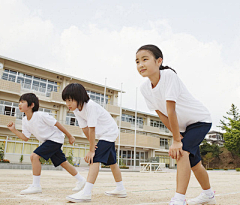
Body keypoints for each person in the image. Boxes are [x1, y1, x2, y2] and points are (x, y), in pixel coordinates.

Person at [136, 45, 216, 205]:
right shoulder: (144, 88)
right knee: (195, 164)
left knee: (182, 152)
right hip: (184, 127)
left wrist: (177, 141)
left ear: (159, 61)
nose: (140, 65)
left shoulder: (168, 76)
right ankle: (208, 195)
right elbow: (162, 114)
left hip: (200, 120)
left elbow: (171, 110)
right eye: (137, 61)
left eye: (145, 59)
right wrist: (177, 134)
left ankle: (179, 199)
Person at [7, 93, 86, 195]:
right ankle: (81, 180)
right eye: (19, 102)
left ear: (31, 105)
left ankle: (36, 186)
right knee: (63, 162)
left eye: (22, 102)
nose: (19, 104)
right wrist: (14, 130)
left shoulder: (40, 115)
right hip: (48, 141)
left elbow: (57, 123)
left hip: (55, 139)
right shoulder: (25, 120)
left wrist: (70, 136)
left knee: (34, 156)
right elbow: (25, 138)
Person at [62, 83, 127, 203]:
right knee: (112, 162)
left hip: (109, 132)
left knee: (94, 158)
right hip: (103, 135)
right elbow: (85, 129)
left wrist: (92, 150)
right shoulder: (76, 110)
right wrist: (93, 144)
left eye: (70, 100)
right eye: (66, 101)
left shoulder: (90, 106)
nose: (68, 104)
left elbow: (92, 128)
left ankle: (86, 192)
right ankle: (120, 188)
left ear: (79, 97)